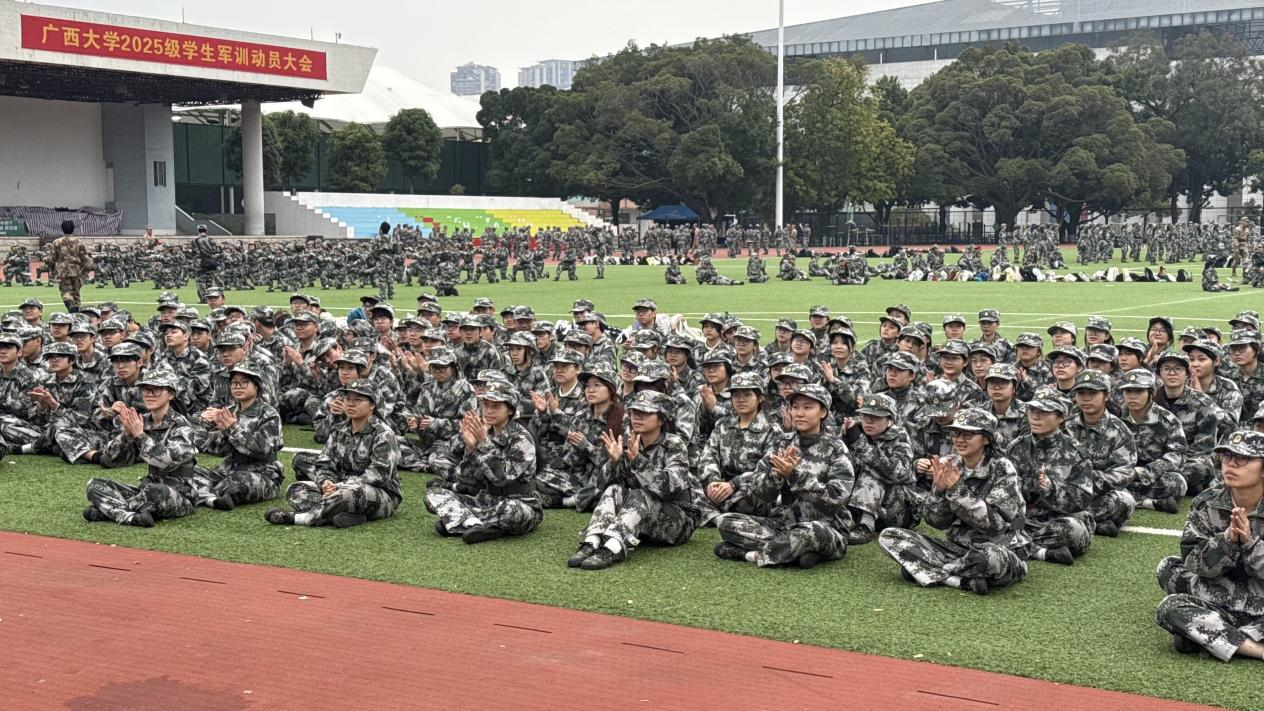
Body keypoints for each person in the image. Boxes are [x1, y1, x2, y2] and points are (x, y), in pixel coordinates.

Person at [879, 409, 1029, 595]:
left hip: (997, 547)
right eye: (956, 433)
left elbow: (995, 526)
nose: (960, 439)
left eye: (968, 434)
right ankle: (959, 581)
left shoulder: (1002, 468)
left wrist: (958, 491)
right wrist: (939, 491)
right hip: (957, 548)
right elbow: (936, 522)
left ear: (986, 438)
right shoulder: (949, 464)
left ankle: (927, 569)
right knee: (889, 536)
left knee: (990, 559)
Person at [714, 384, 855, 568]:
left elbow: (837, 498)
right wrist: (777, 475)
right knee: (725, 522)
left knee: (811, 533)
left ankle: (748, 555)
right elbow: (761, 493)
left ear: (823, 412)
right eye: (795, 407)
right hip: (784, 523)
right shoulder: (781, 442)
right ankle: (794, 552)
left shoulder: (836, 448)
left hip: (825, 527)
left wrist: (795, 476)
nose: (799, 413)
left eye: (807, 407)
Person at [1155, 430, 1264, 662]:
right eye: (1227, 456)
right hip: (1222, 596)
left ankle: (1208, 636)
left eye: (1243, 458)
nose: (1231, 464)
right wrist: (1227, 541)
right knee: (1170, 593)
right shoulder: (1207, 503)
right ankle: (1255, 648)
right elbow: (1195, 564)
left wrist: (1250, 543)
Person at [567, 390, 696, 570]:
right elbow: (601, 485)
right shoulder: (629, 442)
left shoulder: (673, 444)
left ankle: (612, 548)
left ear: (661, 419)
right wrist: (614, 462)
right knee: (614, 490)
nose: (637, 417)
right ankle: (592, 541)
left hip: (676, 521)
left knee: (639, 494)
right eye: (635, 412)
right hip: (642, 520)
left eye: (645, 413)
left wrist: (638, 462)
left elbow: (670, 488)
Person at [265, 379, 401, 528]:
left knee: (350, 493)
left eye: (357, 400)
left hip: (379, 494)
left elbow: (379, 475)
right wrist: (326, 482)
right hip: (340, 488)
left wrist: (340, 486)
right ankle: (347, 515)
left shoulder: (383, 434)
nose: (350, 404)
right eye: (347, 399)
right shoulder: (339, 430)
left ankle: (299, 518)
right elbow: (324, 463)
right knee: (296, 490)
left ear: (372, 405)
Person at [425, 381, 543, 544]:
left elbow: (502, 478)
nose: (488, 410)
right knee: (433, 494)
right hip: (485, 500)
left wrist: (483, 443)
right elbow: (467, 480)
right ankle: (474, 524)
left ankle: (461, 520)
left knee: (512, 512)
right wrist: (471, 448)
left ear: (510, 410)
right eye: (485, 405)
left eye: (496, 406)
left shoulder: (521, 438)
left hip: (519, 502)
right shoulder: (485, 432)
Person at [82, 370, 199, 528]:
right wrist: (126, 435)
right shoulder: (142, 421)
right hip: (146, 490)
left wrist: (140, 435)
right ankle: (131, 517)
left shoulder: (182, 426)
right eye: (146, 389)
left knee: (156, 492)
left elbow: (166, 461)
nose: (150, 394)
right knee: (94, 485)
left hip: (179, 494)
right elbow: (111, 459)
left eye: (156, 389)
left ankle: (109, 510)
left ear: (171, 394)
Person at [191, 364, 285, 511]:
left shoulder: (268, 414)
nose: (238, 387)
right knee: (191, 472)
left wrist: (233, 428)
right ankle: (212, 500)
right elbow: (217, 450)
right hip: (229, 469)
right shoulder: (229, 412)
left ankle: (204, 493)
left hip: (261, 474)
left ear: (257, 386)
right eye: (234, 383)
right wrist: (222, 432)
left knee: (238, 483)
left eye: (244, 382)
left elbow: (263, 449)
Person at [48, 219, 93, 313]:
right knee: (76, 293)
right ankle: (75, 309)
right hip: (76, 271)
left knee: (65, 291)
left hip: (63, 271)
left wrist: (51, 271)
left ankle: (70, 305)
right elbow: (85, 258)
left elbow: (52, 259)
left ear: (62, 229)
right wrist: (86, 270)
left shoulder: (56, 242)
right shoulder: (78, 242)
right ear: (73, 229)